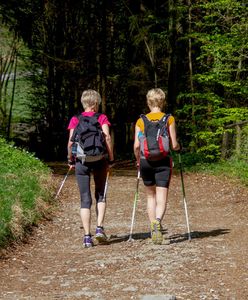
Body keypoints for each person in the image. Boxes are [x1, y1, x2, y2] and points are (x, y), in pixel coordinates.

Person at [67, 89, 114, 248]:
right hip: (99, 159)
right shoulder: (102, 118)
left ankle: (87, 237)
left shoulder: (75, 119)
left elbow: (71, 143)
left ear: (84, 103)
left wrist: (70, 159)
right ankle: (99, 228)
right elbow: (107, 138)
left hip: (81, 161)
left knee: (85, 199)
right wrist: (111, 158)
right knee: (101, 194)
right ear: (95, 104)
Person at [133, 88, 180, 245]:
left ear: (148, 102)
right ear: (163, 102)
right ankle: (158, 221)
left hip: (146, 161)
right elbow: (173, 145)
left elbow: (136, 146)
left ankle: (152, 224)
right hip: (163, 161)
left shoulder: (141, 121)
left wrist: (138, 160)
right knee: (162, 197)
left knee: (150, 196)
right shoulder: (169, 119)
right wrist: (179, 148)